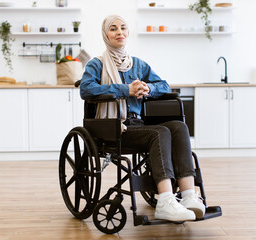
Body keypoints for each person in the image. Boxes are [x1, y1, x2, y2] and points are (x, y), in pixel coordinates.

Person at [80, 15, 205, 222]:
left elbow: (164, 85)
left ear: (128, 33)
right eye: (113, 29)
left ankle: (188, 195)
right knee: (160, 132)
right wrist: (125, 90)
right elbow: (86, 89)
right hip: (113, 127)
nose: (119, 32)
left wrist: (149, 88)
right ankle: (165, 201)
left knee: (179, 127)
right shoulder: (97, 64)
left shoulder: (137, 65)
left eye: (123, 28)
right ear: (105, 34)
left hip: (138, 125)